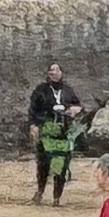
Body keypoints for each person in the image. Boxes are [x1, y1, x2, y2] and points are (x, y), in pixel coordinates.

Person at [24, 63, 79, 205]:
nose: (54, 73)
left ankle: (57, 197)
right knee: (43, 163)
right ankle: (40, 192)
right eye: (51, 70)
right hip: (46, 130)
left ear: (61, 73)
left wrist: (74, 110)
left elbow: (77, 105)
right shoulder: (41, 90)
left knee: (62, 165)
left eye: (57, 70)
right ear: (48, 73)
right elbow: (33, 109)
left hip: (63, 131)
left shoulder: (67, 90)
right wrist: (33, 125)